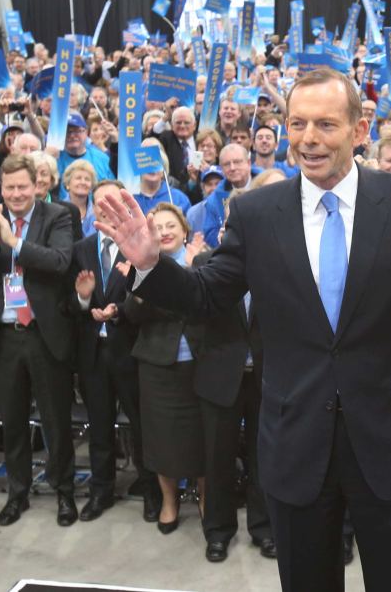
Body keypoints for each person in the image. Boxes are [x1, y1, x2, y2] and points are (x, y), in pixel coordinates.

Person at [96, 68, 391, 592]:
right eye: (298, 123)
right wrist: (152, 266)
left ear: (359, 130)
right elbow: (207, 294)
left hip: (389, 442)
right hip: (295, 439)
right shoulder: (257, 213)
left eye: (326, 124)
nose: (309, 138)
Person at [0, 154, 77, 527]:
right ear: (1, 189)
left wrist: (15, 243)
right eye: (9, 187)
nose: (15, 193)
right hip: (4, 336)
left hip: (44, 335)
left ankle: (64, 492)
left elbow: (60, 262)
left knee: (56, 421)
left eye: (22, 187)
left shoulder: (58, 215)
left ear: (36, 186)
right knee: (12, 422)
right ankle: (18, 493)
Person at [67, 180, 159, 523]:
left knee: (140, 427)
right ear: (92, 207)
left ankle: (151, 491)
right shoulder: (81, 248)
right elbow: (69, 301)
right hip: (93, 353)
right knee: (99, 426)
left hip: (131, 350)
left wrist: (119, 310)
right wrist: (83, 298)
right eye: (99, 203)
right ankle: (101, 491)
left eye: (112, 202)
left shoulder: (142, 245)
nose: (105, 208)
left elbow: (152, 298)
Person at [198, 193, 275, 564]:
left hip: (267, 376)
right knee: (218, 458)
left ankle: (265, 529)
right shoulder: (204, 263)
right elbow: (193, 320)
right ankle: (218, 531)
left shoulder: (278, 266)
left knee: (266, 457)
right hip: (220, 375)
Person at [122, 203, 207, 536]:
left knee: (204, 439)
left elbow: (215, 308)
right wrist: (142, 281)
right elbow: (131, 314)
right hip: (158, 366)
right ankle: (169, 502)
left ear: (184, 230)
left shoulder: (204, 260)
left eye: (172, 225)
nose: (166, 231)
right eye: (158, 227)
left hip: (202, 364)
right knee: (161, 441)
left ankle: (205, 500)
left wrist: (193, 271)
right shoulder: (141, 266)